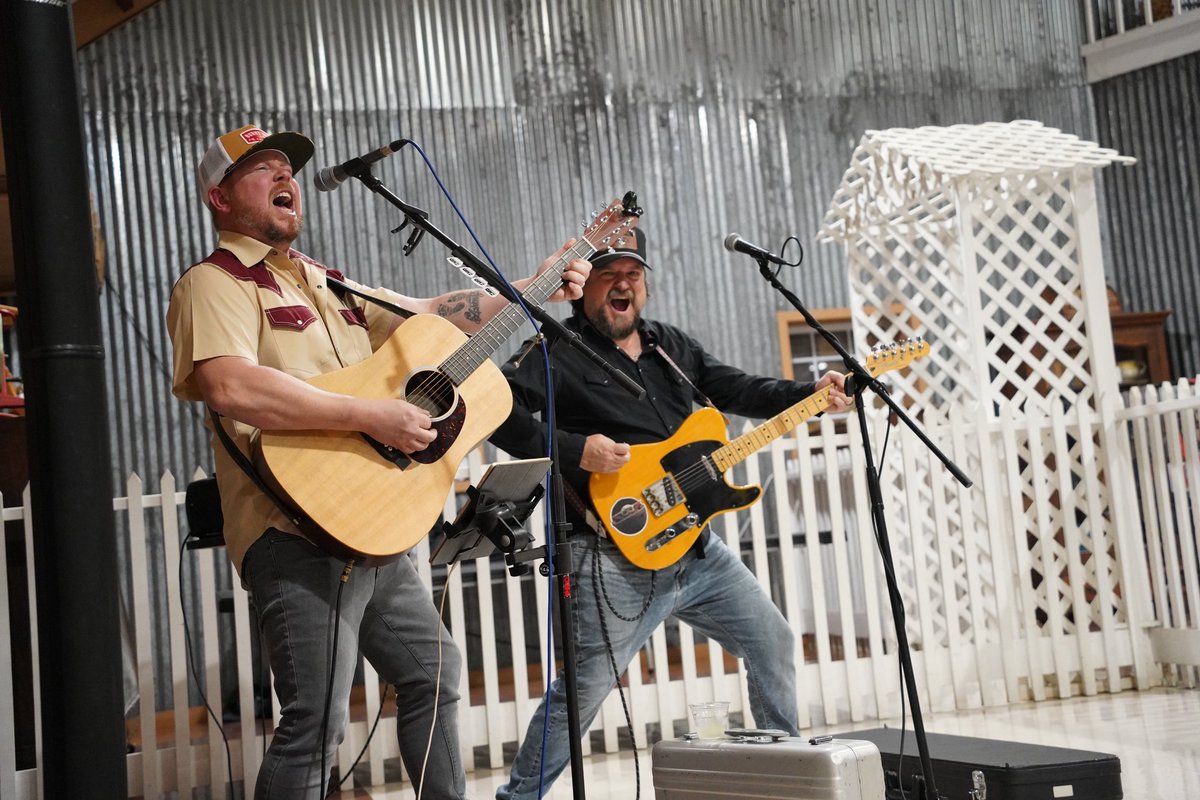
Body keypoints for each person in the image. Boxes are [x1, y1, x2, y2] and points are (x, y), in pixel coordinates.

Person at [166, 123, 591, 800]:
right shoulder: (213, 283)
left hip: (367, 521)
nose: (286, 177)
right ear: (219, 198)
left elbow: (431, 315)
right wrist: (371, 415)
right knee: (316, 722)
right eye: (263, 169)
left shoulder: (320, 280)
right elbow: (231, 386)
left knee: (433, 673)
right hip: (292, 529)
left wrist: (534, 287)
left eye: (289, 168)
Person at [490, 226, 851, 800]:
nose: (622, 283)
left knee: (773, 641)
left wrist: (810, 391)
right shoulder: (556, 349)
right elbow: (499, 410)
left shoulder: (670, 347)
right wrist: (575, 448)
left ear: (645, 286)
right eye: (608, 274)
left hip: (695, 549)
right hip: (611, 557)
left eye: (632, 274)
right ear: (585, 289)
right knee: (580, 693)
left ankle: (785, 780)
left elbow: (738, 389)